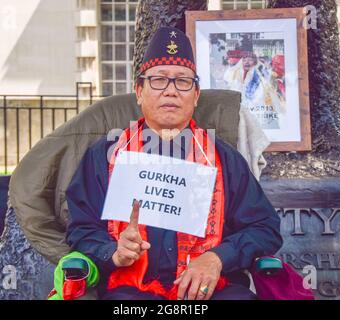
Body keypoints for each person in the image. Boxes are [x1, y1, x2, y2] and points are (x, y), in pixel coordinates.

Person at [65, 26, 282, 300]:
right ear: (139, 91)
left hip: (209, 291)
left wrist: (217, 258)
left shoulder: (224, 160)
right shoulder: (105, 156)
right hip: (130, 290)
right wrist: (114, 252)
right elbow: (81, 228)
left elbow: (265, 229)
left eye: (182, 81)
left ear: (196, 95)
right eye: (158, 80)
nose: (170, 91)